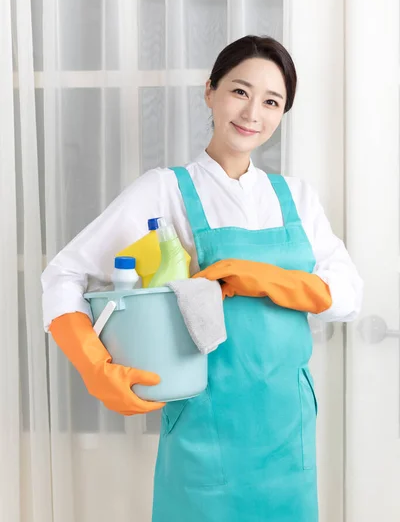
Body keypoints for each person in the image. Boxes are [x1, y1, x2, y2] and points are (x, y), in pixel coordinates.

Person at [42, 35, 363, 522]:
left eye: (271, 101)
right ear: (210, 90)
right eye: (239, 91)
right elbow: (64, 273)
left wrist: (266, 279)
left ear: (282, 114)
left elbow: (348, 295)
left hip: (288, 435)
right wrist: (95, 366)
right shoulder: (166, 189)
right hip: (206, 427)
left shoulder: (296, 197)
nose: (252, 112)